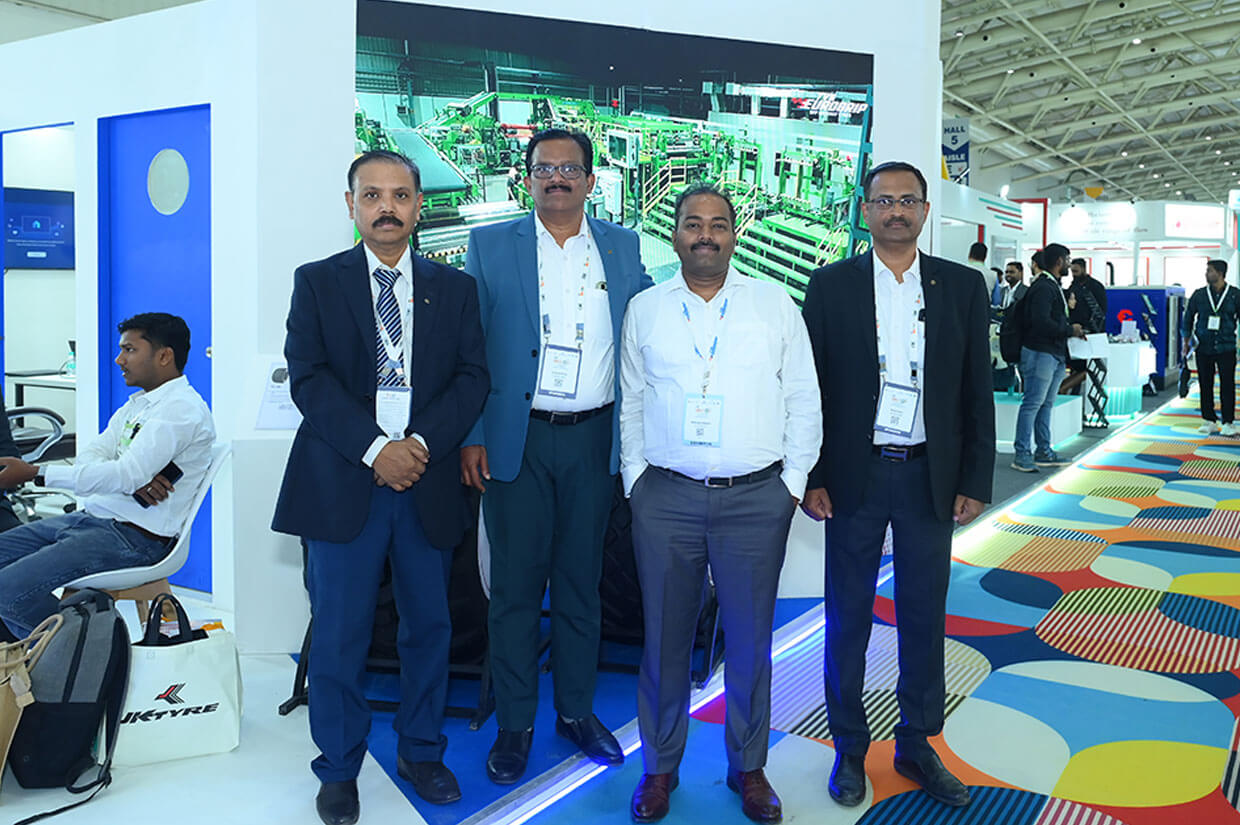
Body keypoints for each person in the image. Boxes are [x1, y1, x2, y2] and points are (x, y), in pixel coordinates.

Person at [271, 150, 489, 824]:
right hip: (344, 483)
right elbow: (308, 378)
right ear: (351, 205)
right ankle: (338, 768)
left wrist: (417, 447)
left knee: (430, 628)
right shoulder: (317, 282)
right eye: (372, 195)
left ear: (419, 205)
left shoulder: (455, 289)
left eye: (399, 195)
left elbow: (473, 378)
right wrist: (376, 450)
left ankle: (422, 750)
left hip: (425, 482)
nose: (386, 207)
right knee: (339, 635)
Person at [620, 184, 821, 824]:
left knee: (751, 640)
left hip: (756, 498)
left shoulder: (774, 304)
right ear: (675, 232)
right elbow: (631, 400)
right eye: (692, 223)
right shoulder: (646, 309)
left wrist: (792, 483)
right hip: (666, 497)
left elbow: (803, 397)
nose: (705, 234)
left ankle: (749, 766)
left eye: (718, 224)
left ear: (735, 234)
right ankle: (659, 768)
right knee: (663, 640)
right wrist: (635, 480)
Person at [801, 161, 994, 810]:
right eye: (883, 201)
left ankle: (916, 741)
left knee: (922, 614)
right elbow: (811, 388)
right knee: (847, 615)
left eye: (908, 200)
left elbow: (976, 390)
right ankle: (849, 746)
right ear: (865, 210)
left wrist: (975, 478)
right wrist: (813, 475)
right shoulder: (830, 286)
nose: (896, 211)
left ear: (925, 210)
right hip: (853, 476)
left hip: (927, 476)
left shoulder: (961, 286)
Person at [460, 128, 651, 785]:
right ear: (527, 178)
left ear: (591, 181)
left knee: (580, 584)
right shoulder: (490, 246)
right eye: (545, 168)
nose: (558, 178)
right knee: (514, 590)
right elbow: (469, 348)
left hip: (594, 438)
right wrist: (473, 433)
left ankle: (574, 710)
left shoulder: (623, 247)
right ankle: (515, 724)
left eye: (570, 168)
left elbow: (648, 327)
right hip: (517, 439)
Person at [0, 312, 214, 640]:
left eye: (130, 350)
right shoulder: (137, 406)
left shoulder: (180, 410)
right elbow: (94, 456)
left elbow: (124, 474)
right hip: (94, 520)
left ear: (164, 356)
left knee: (7, 590)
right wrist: (129, 477)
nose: (119, 359)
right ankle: (46, 656)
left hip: (135, 539)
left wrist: (37, 473)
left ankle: (89, 656)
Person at [1011, 243, 1084, 472]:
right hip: (1040, 353)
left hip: (1053, 353)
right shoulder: (1043, 287)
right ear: (1059, 261)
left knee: (1045, 404)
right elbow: (1041, 322)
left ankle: (1043, 450)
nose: (1070, 264)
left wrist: (1069, 329)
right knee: (1032, 403)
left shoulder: (1051, 286)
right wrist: (1069, 330)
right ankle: (1022, 453)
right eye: (1068, 260)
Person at [1183, 259, 1239, 436]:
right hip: (1203, 346)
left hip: (1226, 346)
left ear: (1220, 274)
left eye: (1210, 271)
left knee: (1227, 384)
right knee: (1205, 383)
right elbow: (1188, 317)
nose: (1206, 274)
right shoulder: (1199, 295)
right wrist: (1186, 342)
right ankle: (1209, 420)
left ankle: (1228, 422)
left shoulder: (1235, 295)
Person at [1065, 258, 1108, 384]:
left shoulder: (1096, 286)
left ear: (1084, 269)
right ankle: (1070, 390)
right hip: (1075, 332)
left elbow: (1102, 311)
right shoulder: (1073, 286)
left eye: (1076, 271)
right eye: (1072, 271)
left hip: (1092, 333)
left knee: (1087, 367)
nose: (1074, 274)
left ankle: (1065, 388)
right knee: (1076, 364)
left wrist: (1090, 328)